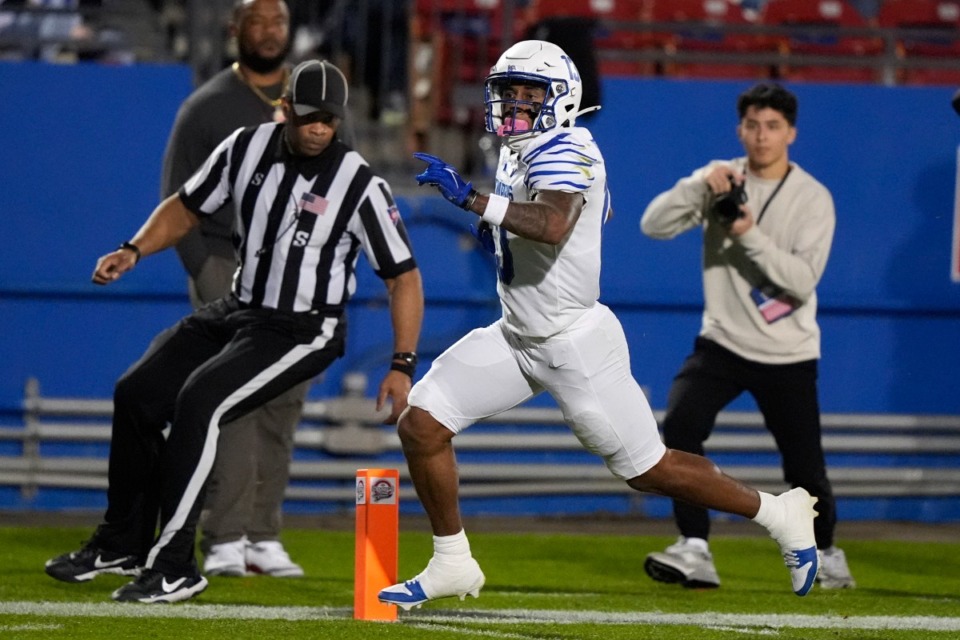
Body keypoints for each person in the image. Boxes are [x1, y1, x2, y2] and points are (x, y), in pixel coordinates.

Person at [376, 40, 821, 612]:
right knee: (422, 424)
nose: (513, 102)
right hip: (517, 334)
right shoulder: (521, 146)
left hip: (571, 341)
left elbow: (554, 223)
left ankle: (778, 513)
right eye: (507, 90)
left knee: (650, 471)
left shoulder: (569, 147)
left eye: (528, 93)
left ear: (560, 99)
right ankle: (452, 561)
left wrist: (474, 201)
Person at [44, 58, 424, 604]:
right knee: (138, 394)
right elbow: (188, 206)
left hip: (304, 328)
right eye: (309, 116)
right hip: (240, 308)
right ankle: (122, 541)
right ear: (285, 109)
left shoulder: (359, 183)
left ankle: (175, 563)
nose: (320, 128)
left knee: (202, 401)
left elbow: (403, 277)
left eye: (330, 119)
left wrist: (402, 364)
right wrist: (133, 249)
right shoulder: (245, 147)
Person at [639, 82, 855, 590]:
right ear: (740, 130)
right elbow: (653, 225)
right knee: (682, 428)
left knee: (805, 468)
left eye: (773, 127)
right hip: (722, 343)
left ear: (792, 134)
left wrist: (745, 232)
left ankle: (825, 553)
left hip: (789, 351)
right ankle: (694, 548)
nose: (762, 137)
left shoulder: (813, 198)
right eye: (753, 126)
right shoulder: (720, 181)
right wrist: (697, 186)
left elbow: (802, 280)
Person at [160, 0, 348, 579]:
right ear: (234, 29)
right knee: (231, 399)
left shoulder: (321, 101)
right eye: (257, 21)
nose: (268, 32)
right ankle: (225, 534)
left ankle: (263, 534)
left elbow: (343, 183)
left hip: (301, 274)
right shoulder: (208, 107)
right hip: (227, 264)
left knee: (285, 401)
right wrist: (205, 272)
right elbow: (179, 195)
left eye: (278, 22)